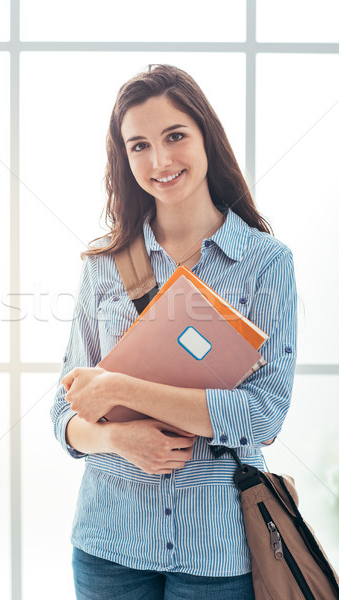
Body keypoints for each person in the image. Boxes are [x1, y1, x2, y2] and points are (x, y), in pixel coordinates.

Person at [51, 64, 297, 599]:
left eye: (175, 136)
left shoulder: (264, 263)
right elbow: (64, 414)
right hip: (107, 545)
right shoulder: (103, 265)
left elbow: (264, 416)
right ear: (124, 158)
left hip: (217, 550)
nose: (159, 161)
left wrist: (120, 390)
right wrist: (117, 437)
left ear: (207, 136)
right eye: (138, 145)